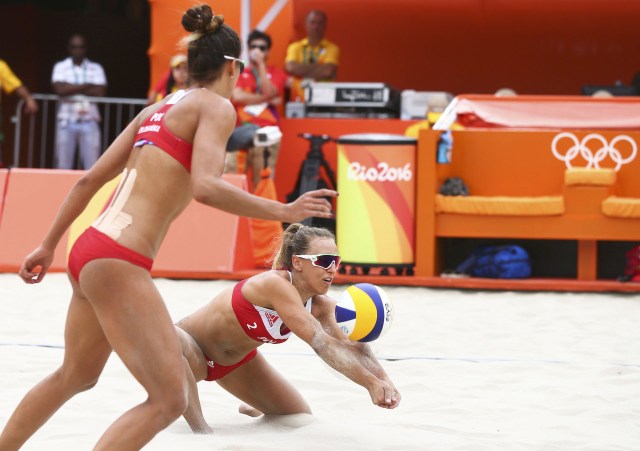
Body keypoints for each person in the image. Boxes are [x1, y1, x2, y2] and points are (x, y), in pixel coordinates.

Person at [0, 5, 335, 450]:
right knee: (168, 399)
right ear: (233, 67)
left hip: (88, 247)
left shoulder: (154, 110)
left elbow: (88, 179)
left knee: (75, 376)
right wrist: (286, 210)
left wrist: (47, 245)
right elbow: (206, 188)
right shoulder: (216, 107)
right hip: (120, 260)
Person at [175, 223, 401, 433]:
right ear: (297, 262)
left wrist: (385, 381)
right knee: (170, 337)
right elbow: (320, 342)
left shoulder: (319, 305)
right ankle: (201, 431)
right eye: (323, 261)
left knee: (297, 415)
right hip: (190, 352)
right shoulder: (275, 284)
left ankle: (254, 404)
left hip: (235, 365)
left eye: (336, 261)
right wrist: (370, 384)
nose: (331, 269)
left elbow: (351, 342)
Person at [225, 29, 287, 190]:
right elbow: (238, 97)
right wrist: (268, 98)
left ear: (268, 50)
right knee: (233, 179)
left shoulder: (276, 73)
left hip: (267, 133)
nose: (257, 51)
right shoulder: (240, 72)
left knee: (263, 181)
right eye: (254, 47)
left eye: (262, 47)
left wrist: (261, 65)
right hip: (240, 131)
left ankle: (260, 216)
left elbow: (273, 92)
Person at [51, 33, 107, 170]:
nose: (78, 50)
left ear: (86, 48)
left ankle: (93, 193)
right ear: (69, 48)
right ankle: (63, 191)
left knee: (92, 167)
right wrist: (87, 85)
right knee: (63, 166)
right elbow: (59, 89)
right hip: (66, 120)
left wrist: (70, 87)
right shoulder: (60, 66)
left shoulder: (96, 67)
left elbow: (100, 91)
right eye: (74, 47)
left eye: (81, 47)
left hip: (89, 120)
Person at [284, 10, 340, 102]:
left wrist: (300, 73)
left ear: (325, 25)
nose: (316, 27)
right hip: (298, 96)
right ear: (306, 25)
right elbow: (290, 68)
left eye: (319, 23)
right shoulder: (295, 47)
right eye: (312, 22)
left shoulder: (332, 48)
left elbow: (328, 71)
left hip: (325, 97)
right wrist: (319, 67)